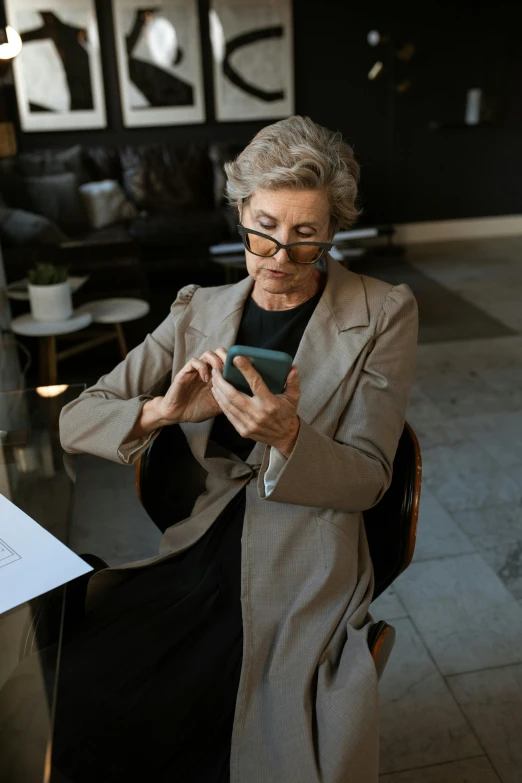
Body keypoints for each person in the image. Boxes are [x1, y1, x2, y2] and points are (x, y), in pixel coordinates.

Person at [1, 116, 418, 783]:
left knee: (227, 717)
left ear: (333, 229)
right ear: (239, 214)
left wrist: (288, 436)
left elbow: (370, 477)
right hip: (200, 547)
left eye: (306, 234)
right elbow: (77, 419)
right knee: (80, 686)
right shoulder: (197, 308)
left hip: (305, 556)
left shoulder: (385, 311)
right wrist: (162, 410)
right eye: (263, 227)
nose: (279, 254)